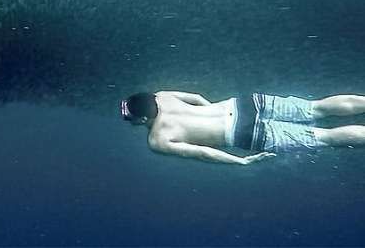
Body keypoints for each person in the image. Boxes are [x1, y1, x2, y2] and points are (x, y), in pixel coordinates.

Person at [120, 90, 365, 165]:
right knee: (316, 108)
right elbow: (195, 97)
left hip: (243, 134)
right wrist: (214, 110)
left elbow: (202, 153)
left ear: (142, 120)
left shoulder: (158, 140)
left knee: (324, 137)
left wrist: (240, 161)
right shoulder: (161, 95)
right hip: (244, 105)